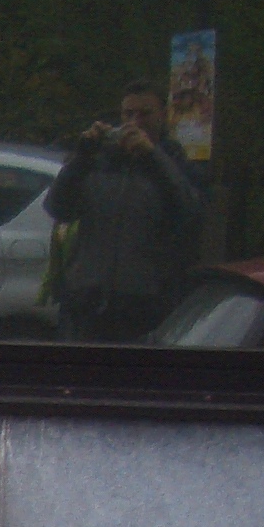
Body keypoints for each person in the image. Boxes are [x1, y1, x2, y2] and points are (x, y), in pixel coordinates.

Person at [43, 83, 203, 342]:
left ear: (163, 115)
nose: (135, 122)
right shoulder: (99, 160)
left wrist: (153, 157)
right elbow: (57, 207)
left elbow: (190, 212)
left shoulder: (174, 162)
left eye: (145, 114)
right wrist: (81, 158)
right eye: (128, 114)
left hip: (146, 305)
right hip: (87, 303)